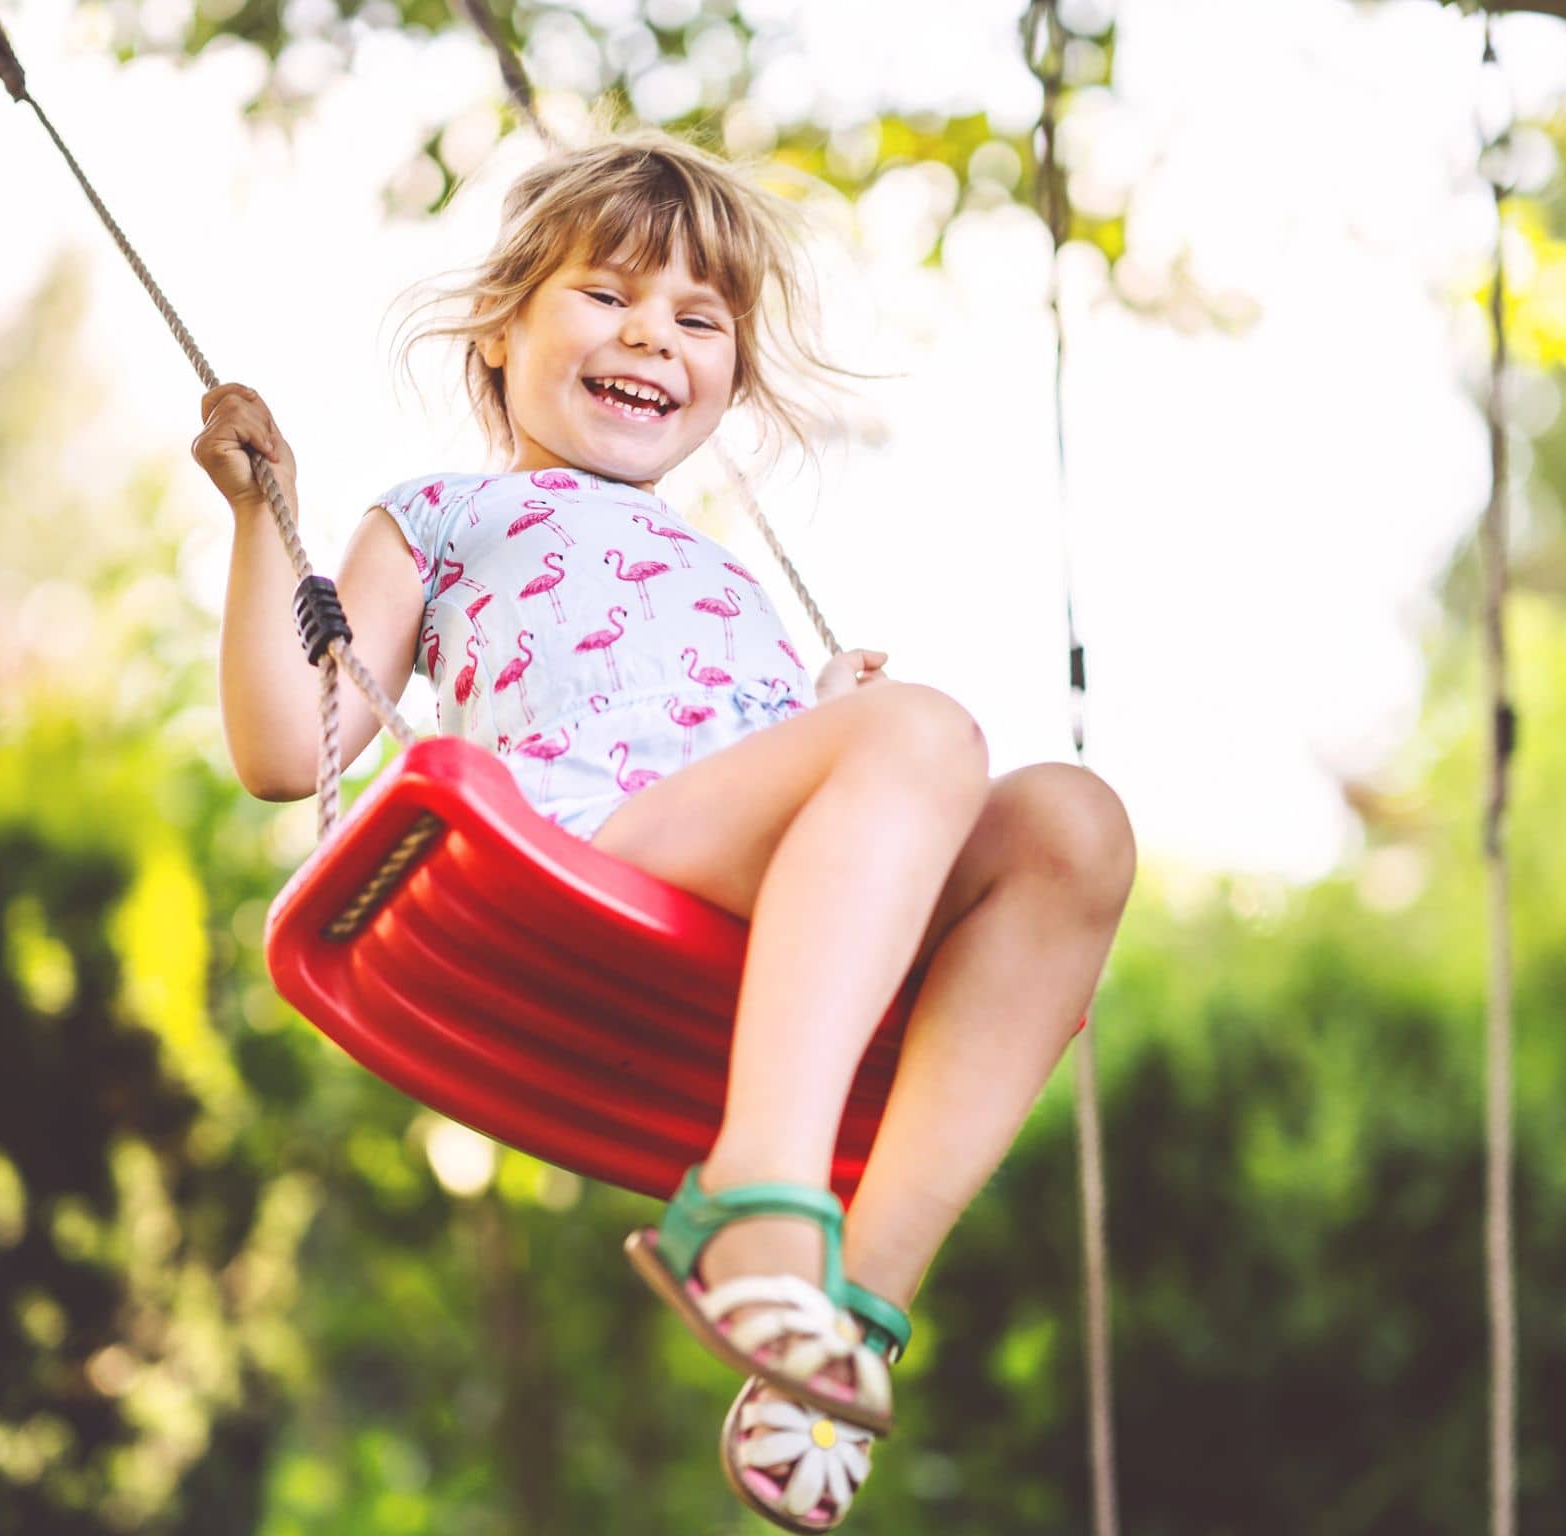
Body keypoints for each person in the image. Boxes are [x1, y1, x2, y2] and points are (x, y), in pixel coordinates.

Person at [194, 127, 1136, 1532]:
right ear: (501, 332)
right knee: (927, 731)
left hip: (769, 898)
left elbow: (736, 741)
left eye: (701, 319)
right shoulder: (447, 513)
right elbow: (291, 750)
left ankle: (846, 1327)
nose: (656, 336)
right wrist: (260, 519)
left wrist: (814, 715)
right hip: (582, 850)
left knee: (1074, 821)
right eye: (608, 295)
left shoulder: (722, 564)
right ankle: (760, 1199)